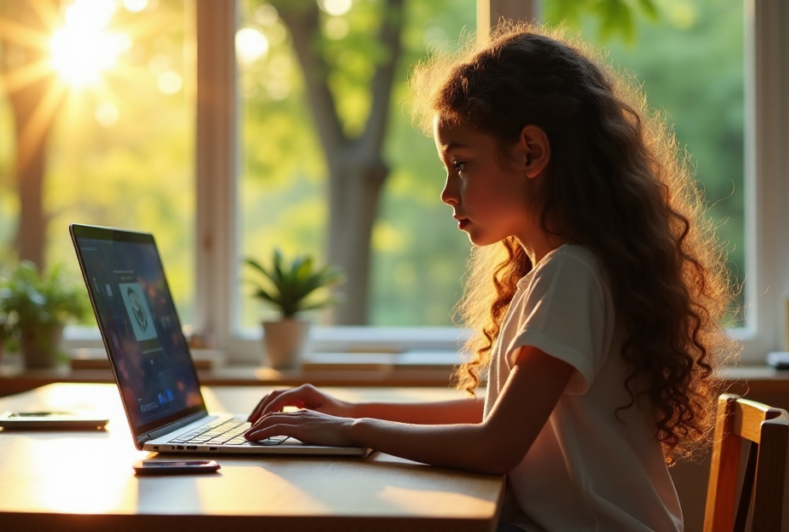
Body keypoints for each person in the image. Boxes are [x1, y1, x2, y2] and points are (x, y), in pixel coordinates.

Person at [245, 24, 736, 532]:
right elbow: (497, 414)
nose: (446, 192)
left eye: (461, 163)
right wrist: (347, 410)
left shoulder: (572, 274)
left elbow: (497, 444)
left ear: (530, 152)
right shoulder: (564, 270)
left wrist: (352, 429)